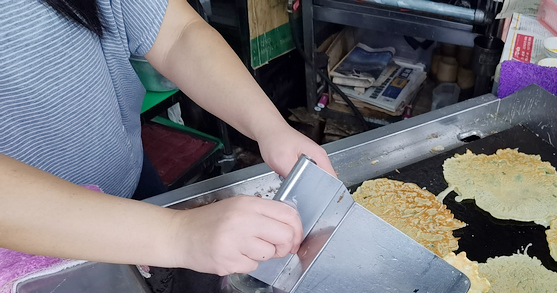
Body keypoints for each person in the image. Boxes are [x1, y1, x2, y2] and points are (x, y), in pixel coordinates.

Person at [0, 0, 335, 276]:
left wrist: (269, 128)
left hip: (129, 181)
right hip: (21, 252)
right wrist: (177, 234)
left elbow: (177, 33)